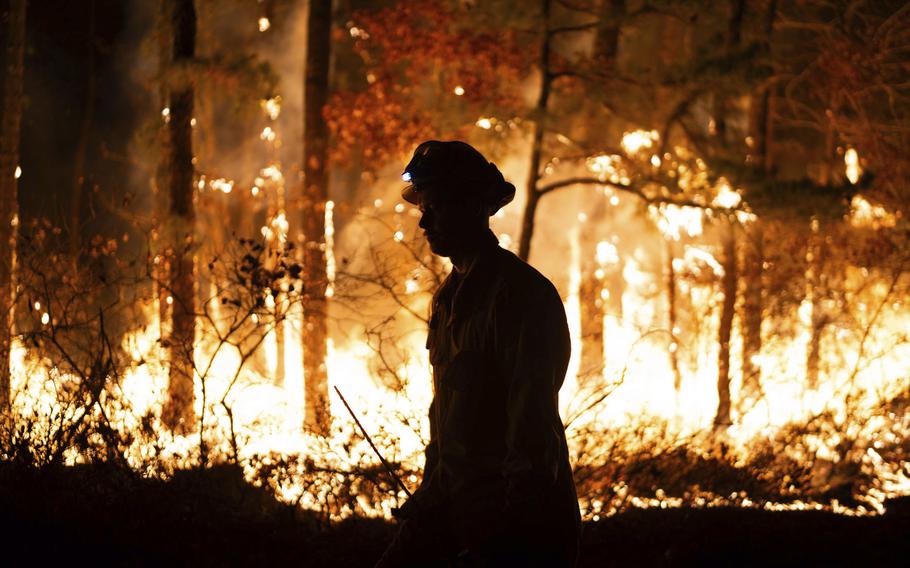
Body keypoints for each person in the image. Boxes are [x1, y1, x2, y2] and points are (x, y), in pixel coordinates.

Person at [376, 141, 580, 567]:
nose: (424, 222)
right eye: (422, 210)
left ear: (471, 206)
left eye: (436, 208)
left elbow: (531, 432)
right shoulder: (448, 300)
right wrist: (428, 499)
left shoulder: (521, 297)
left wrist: (506, 539)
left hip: (516, 533)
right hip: (457, 513)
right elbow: (448, 424)